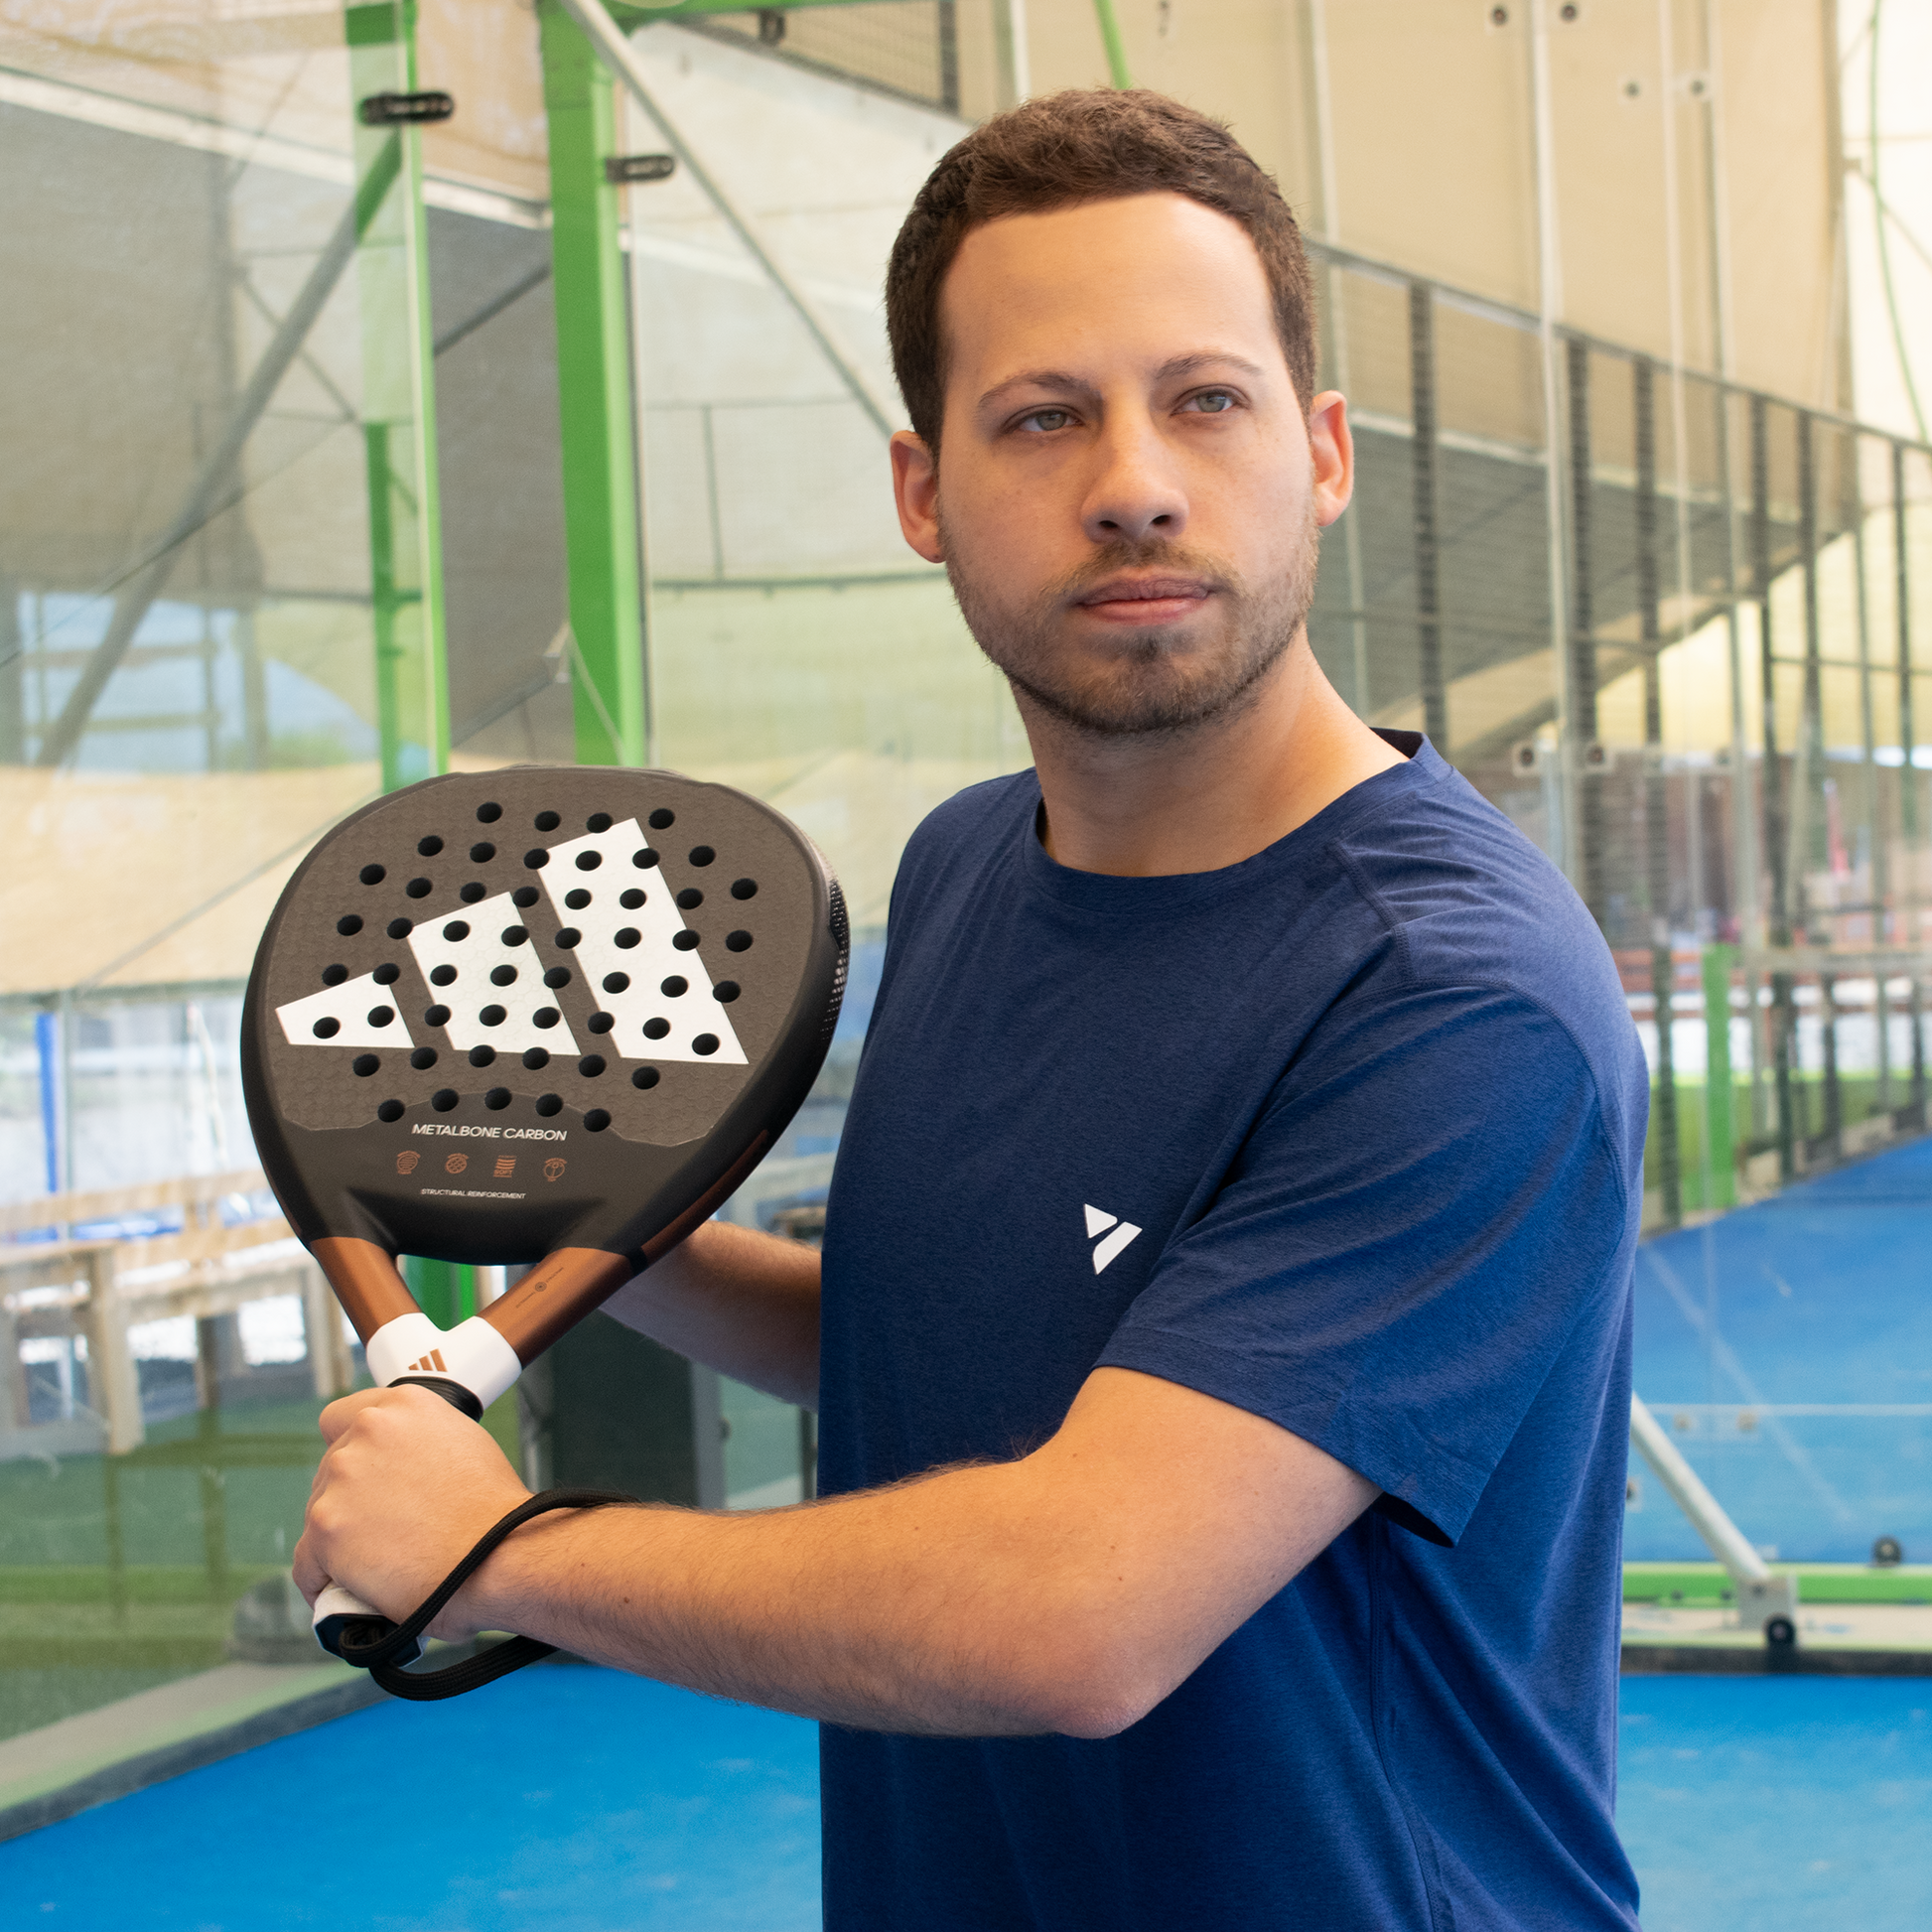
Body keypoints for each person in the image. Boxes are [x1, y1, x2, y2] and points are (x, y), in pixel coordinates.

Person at [297, 89, 1647, 1930]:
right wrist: (627, 1221)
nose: (1134, 481)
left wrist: (506, 1553)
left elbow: (1079, 1607)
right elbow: (948, 1334)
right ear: (924, 491)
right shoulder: (962, 870)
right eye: (1041, 415)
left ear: (1322, 452)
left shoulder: (1454, 999)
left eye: (1206, 398)